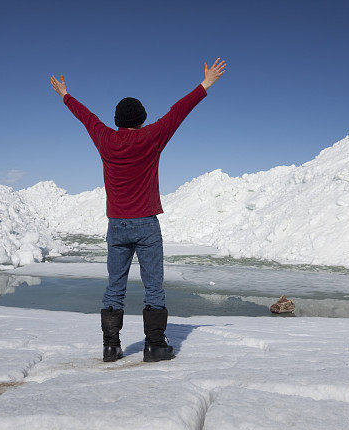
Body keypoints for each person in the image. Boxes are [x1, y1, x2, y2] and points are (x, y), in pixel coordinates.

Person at [50, 58, 226, 363]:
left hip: (116, 225)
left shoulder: (105, 138)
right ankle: (155, 345)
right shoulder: (151, 137)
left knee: (114, 286)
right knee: (153, 285)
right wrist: (206, 83)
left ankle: (111, 346)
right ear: (142, 119)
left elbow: (87, 117)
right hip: (146, 223)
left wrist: (65, 95)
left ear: (117, 119)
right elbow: (177, 112)